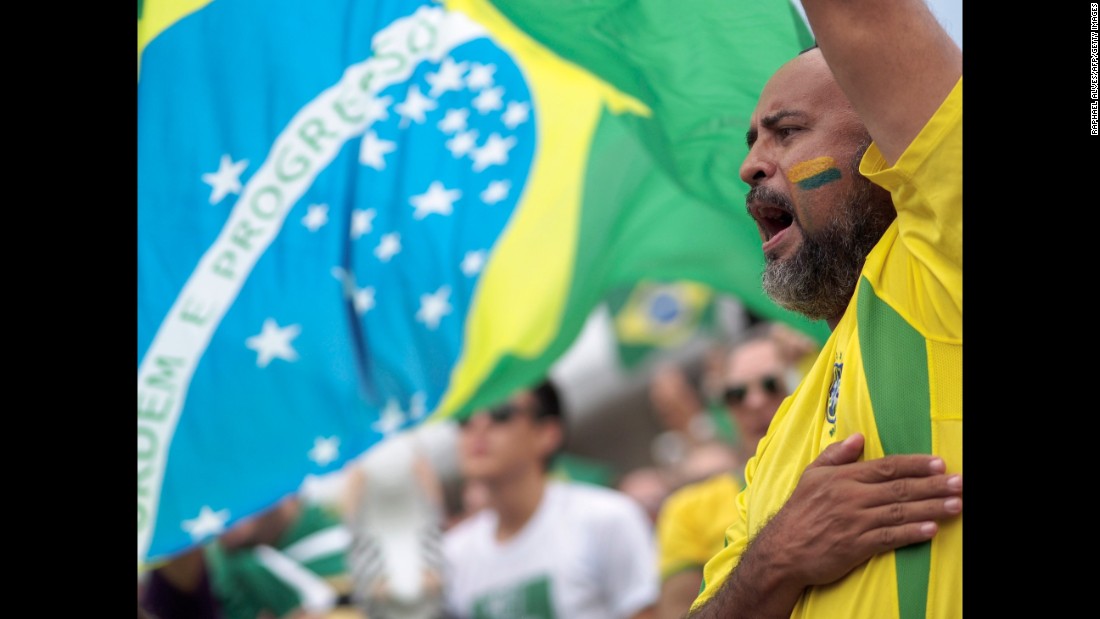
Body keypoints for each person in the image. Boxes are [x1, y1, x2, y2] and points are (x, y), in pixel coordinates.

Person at [687, 0, 963, 617]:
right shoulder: (778, 439)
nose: (750, 164)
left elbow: (866, 17)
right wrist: (777, 554)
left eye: (787, 132)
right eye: (755, 139)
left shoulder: (947, 263)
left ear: (889, 151)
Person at [442, 379, 659, 619]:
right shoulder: (453, 555)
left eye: (500, 412)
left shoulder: (607, 518)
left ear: (547, 433)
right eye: (464, 417)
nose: (479, 424)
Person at [654, 323, 802, 619]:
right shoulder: (689, 509)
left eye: (772, 385)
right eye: (736, 394)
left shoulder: (850, 457)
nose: (755, 402)